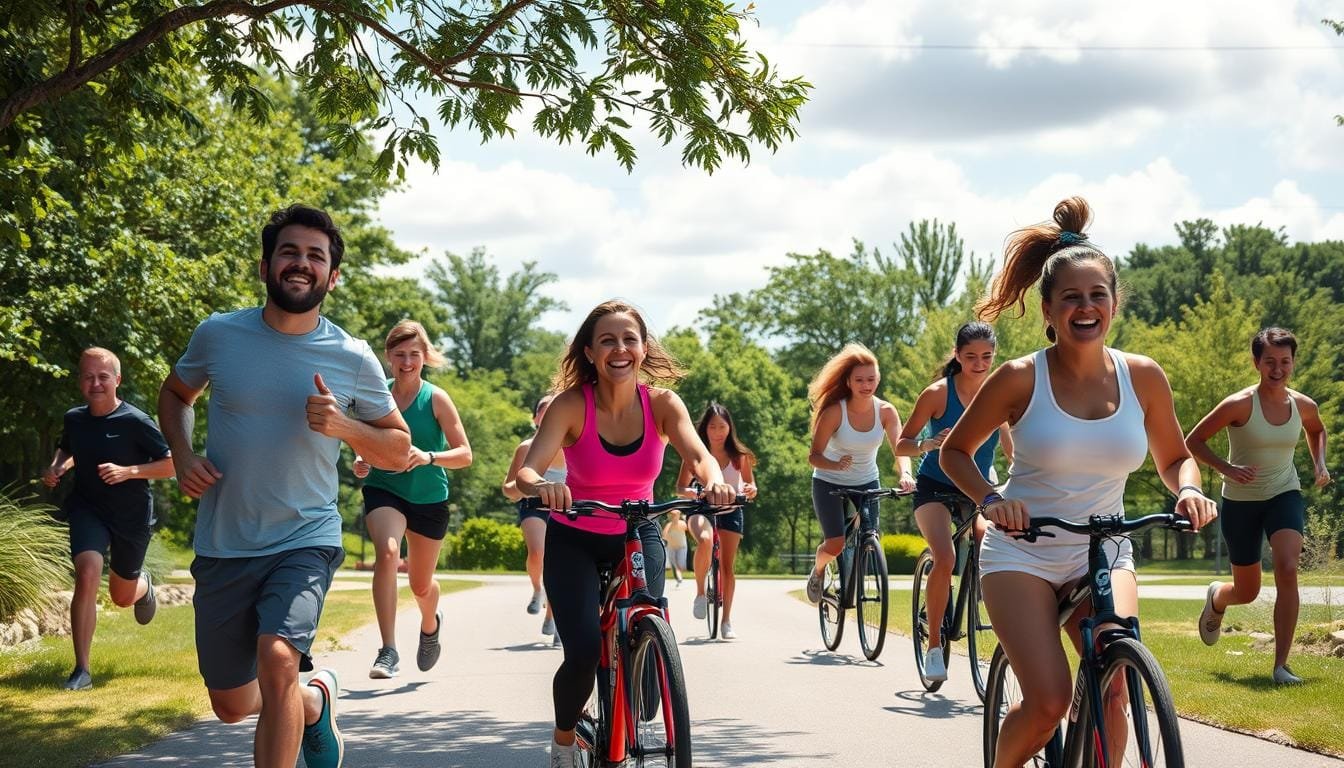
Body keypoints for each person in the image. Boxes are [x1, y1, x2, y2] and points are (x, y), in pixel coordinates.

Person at [939, 196, 1217, 768]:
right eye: (1071, 297)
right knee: (1048, 704)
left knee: (1116, 681)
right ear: (1048, 309)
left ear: (1114, 303)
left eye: (1097, 295)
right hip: (1024, 554)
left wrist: (1188, 488)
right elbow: (955, 453)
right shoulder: (1019, 378)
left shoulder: (1143, 376)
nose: (1085, 307)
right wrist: (993, 500)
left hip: (1105, 548)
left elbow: (1176, 458)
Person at [159, 204, 411, 768]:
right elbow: (175, 394)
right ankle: (315, 699)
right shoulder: (219, 334)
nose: (302, 264)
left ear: (333, 275)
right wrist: (182, 455)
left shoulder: (352, 356)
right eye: (289, 252)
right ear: (266, 265)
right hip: (224, 540)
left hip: (305, 536)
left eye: (315, 256)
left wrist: (344, 425)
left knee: (277, 657)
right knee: (230, 704)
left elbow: (398, 450)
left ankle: (297, 693)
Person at [512, 300, 734, 768]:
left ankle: (646, 657)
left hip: (637, 532)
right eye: (607, 340)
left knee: (647, 619)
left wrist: (712, 479)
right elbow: (528, 472)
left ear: (643, 348)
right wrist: (547, 486)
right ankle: (565, 739)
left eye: (629, 339)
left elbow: (700, 456)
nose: (620, 349)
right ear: (590, 352)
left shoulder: (663, 404)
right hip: (575, 537)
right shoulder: (572, 405)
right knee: (584, 651)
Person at [1186, 327, 1330, 685]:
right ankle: (1218, 598)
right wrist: (1227, 469)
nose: (1278, 369)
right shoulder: (1239, 404)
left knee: (1287, 565)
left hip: (1284, 493)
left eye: (1285, 361)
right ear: (1256, 363)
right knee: (1247, 591)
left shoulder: (1303, 405)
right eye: (1270, 362)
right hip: (1241, 503)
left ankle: (1281, 666)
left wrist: (1319, 463)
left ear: (1293, 362)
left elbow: (1317, 430)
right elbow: (1194, 441)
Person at [42, 347, 175, 691]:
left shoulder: (135, 421)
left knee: (120, 596)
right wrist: (59, 465)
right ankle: (82, 670)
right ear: (80, 381)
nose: (95, 383)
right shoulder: (75, 418)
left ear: (117, 380)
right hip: (88, 508)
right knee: (86, 573)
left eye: (103, 376)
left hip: (130, 516)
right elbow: (68, 447)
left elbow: (172, 464)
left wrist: (129, 471)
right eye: (88, 376)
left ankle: (142, 585)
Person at [351, 320, 472, 679]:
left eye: (414, 355)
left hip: (429, 497)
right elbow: (365, 439)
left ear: (425, 357)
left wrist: (429, 456)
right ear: (388, 357)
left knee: (421, 584)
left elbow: (465, 454)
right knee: (387, 553)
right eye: (400, 355)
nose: (407, 362)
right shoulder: (378, 394)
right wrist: (362, 459)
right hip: (384, 488)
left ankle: (431, 622)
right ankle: (388, 650)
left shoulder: (435, 398)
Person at [894, 322, 1013, 681]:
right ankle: (934, 647)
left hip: (977, 487)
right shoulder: (936, 394)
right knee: (944, 556)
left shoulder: (1000, 392)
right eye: (971, 357)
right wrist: (927, 445)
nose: (980, 364)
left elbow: (1012, 447)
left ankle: (979, 595)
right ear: (957, 355)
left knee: (988, 543)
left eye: (987, 357)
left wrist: (1020, 475)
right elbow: (902, 444)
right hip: (934, 486)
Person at [803, 343, 915, 604]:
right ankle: (819, 570)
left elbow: (900, 448)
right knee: (835, 544)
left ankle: (858, 571)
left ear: (879, 378)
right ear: (849, 382)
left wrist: (906, 474)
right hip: (829, 483)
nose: (866, 385)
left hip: (867, 482)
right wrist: (835, 465)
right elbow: (814, 457)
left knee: (870, 534)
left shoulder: (886, 411)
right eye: (860, 380)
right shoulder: (834, 412)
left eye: (872, 379)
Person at [676, 402, 759, 639]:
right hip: (701, 509)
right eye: (713, 427)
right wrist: (693, 492)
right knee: (704, 540)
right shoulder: (694, 454)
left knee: (727, 568)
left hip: (731, 510)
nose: (718, 432)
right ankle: (701, 593)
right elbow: (681, 487)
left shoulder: (739, 456)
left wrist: (751, 490)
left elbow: (750, 484)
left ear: (729, 428)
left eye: (722, 427)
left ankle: (726, 621)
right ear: (705, 429)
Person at [502, 393, 564, 641]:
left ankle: (554, 616)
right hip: (533, 506)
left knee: (560, 565)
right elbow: (508, 489)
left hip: (564, 509)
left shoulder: (573, 447)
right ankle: (538, 589)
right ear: (535, 417)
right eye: (543, 409)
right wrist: (521, 487)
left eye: (554, 409)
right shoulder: (526, 448)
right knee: (538, 552)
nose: (549, 413)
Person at [662, 509, 689, 586]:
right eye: (673, 515)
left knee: (680, 564)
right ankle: (678, 578)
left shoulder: (682, 523)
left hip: (681, 547)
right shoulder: (668, 525)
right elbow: (664, 535)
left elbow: (687, 528)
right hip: (671, 548)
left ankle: (679, 577)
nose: (673, 516)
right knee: (675, 565)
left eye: (675, 515)